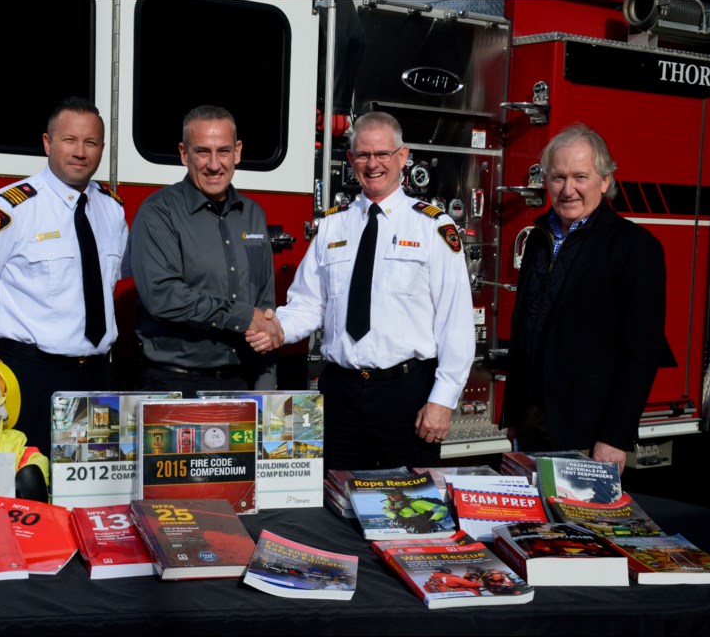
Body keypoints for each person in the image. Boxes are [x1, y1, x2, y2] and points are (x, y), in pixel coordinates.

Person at [250, 111, 473, 470]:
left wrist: (442, 400)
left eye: (382, 154)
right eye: (363, 155)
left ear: (402, 157)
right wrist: (278, 328)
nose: (373, 164)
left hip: (405, 396)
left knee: (406, 510)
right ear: (351, 160)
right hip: (340, 393)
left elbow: (456, 323)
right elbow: (309, 302)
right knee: (334, 502)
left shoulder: (432, 227)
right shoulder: (332, 225)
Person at [0, 96, 128, 455]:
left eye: (90, 142)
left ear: (102, 149)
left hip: (96, 379)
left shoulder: (112, 209)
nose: (80, 152)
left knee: (89, 491)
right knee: (27, 488)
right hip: (29, 377)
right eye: (69, 140)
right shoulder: (8, 209)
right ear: (47, 143)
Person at [501, 123, 667, 473]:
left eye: (581, 176)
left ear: (605, 181)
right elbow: (525, 328)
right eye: (558, 177)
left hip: (587, 432)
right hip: (532, 422)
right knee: (531, 526)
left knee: (583, 526)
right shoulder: (538, 238)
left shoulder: (635, 248)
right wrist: (513, 413)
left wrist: (615, 436)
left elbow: (640, 352)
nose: (568, 189)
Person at [129, 105, 280, 397]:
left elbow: (266, 310)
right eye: (202, 152)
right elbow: (163, 296)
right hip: (175, 386)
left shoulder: (253, 215)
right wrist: (243, 316)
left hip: (242, 384)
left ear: (237, 152)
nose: (214, 164)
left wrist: (266, 390)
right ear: (184, 154)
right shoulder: (158, 213)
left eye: (223, 151)